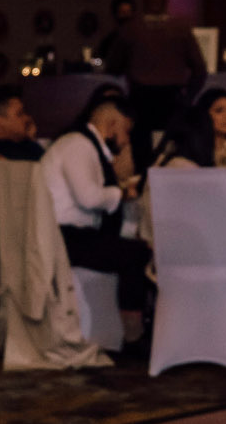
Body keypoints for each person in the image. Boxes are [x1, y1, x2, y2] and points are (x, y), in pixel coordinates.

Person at [39, 85, 150, 346]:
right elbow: (88, 197)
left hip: (67, 234)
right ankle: (132, 333)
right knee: (137, 254)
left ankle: (127, 327)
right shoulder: (77, 145)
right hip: (63, 238)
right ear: (112, 125)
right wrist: (121, 194)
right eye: (125, 131)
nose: (125, 141)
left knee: (134, 248)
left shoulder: (80, 144)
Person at [109, 0, 204, 169]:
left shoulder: (131, 29)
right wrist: (188, 98)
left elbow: (113, 67)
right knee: (175, 149)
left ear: (143, 4)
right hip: (173, 99)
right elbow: (200, 69)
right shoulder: (181, 29)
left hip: (140, 99)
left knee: (142, 152)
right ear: (166, 3)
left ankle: (143, 182)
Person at [95, 0, 135, 69]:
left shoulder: (140, 39)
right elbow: (99, 60)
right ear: (116, 15)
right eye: (122, 13)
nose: (126, 17)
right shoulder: (109, 40)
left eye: (128, 12)